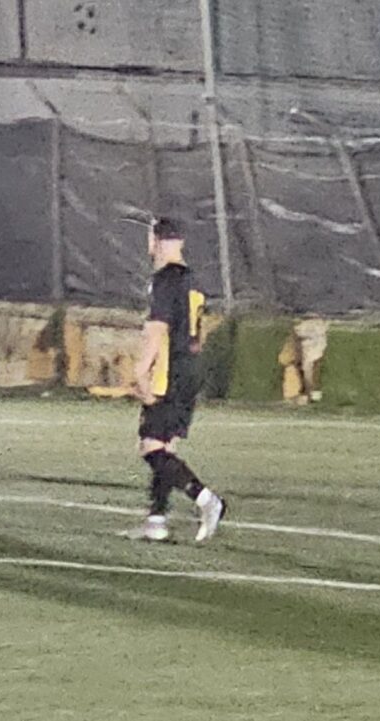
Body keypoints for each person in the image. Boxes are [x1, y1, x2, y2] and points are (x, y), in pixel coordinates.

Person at [131, 218, 226, 543]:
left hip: (168, 372)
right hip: (191, 369)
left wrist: (141, 370)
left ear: (154, 241)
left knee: (150, 447)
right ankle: (156, 521)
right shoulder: (193, 280)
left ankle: (206, 499)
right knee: (166, 447)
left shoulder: (164, 279)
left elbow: (157, 328)